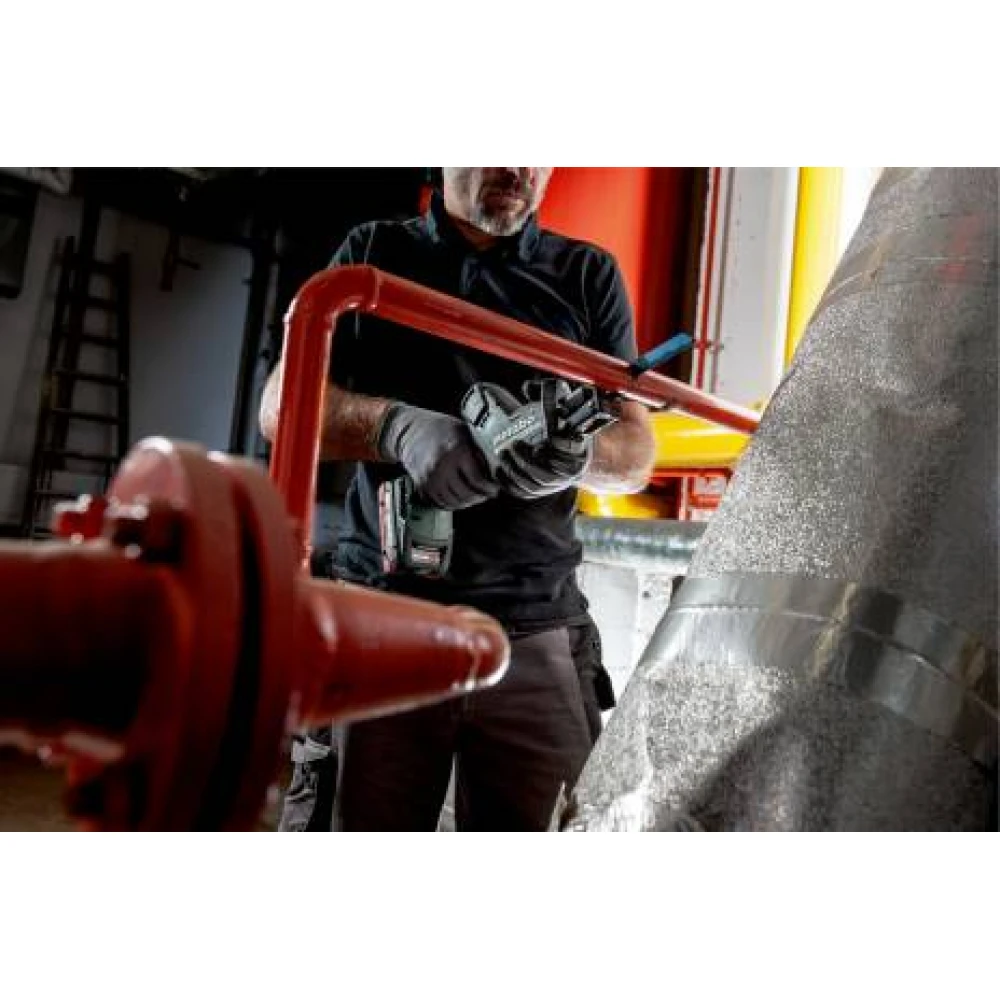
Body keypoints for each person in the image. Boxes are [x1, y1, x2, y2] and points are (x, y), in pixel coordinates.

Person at [260, 167, 656, 831]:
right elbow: (281, 408)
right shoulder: (374, 253)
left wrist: (579, 456)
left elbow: (637, 452)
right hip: (385, 617)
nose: (518, 165)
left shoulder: (587, 275)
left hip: (536, 622)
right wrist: (393, 427)